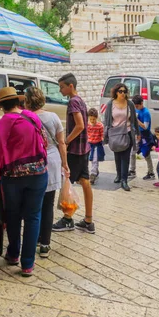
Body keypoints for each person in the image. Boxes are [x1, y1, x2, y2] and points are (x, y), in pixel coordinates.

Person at [0, 87, 48, 277]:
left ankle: (13, 254)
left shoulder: (3, 124)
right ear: (18, 102)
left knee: (13, 215)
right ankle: (27, 265)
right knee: (33, 217)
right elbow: (44, 143)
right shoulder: (33, 117)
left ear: (2, 107)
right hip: (39, 174)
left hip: (13, 178)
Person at [24, 87, 69, 259]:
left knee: (34, 204)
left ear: (27, 101)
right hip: (52, 161)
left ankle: (34, 239)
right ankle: (45, 244)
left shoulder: (24, 118)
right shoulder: (53, 117)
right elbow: (62, 143)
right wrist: (65, 164)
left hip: (34, 162)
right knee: (48, 204)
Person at [52, 73, 95, 234]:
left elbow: (80, 125)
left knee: (67, 184)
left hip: (76, 150)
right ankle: (88, 221)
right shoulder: (81, 101)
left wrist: (66, 141)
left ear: (71, 86)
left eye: (62, 86)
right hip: (84, 149)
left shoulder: (73, 102)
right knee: (85, 182)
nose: (60, 90)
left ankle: (68, 219)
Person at [104, 83, 139, 192]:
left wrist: (137, 132)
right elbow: (107, 120)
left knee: (125, 157)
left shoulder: (130, 104)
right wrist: (105, 134)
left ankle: (124, 180)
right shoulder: (110, 104)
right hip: (114, 133)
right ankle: (118, 175)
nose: (123, 93)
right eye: (120, 91)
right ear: (116, 92)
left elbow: (134, 119)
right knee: (117, 155)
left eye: (124, 91)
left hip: (127, 133)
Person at [131, 95, 155, 180]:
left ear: (141, 103)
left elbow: (145, 126)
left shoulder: (146, 112)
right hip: (137, 134)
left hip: (145, 135)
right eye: (135, 106)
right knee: (133, 152)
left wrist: (136, 120)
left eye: (137, 106)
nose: (136, 107)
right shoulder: (136, 109)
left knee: (146, 154)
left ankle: (151, 173)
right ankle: (132, 171)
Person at [88, 108, 105, 185]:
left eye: (94, 119)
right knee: (91, 159)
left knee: (95, 159)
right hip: (89, 144)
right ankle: (95, 170)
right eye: (91, 119)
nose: (92, 121)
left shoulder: (100, 126)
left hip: (97, 145)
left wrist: (103, 139)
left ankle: (93, 175)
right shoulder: (87, 125)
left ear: (96, 118)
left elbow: (102, 135)